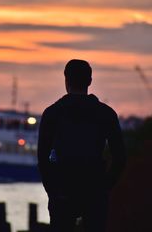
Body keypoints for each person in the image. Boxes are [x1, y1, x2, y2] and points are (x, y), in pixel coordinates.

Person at [38, 59, 126, 232]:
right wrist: (105, 187)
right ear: (90, 81)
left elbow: (42, 158)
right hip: (94, 189)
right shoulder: (106, 113)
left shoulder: (52, 113)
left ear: (66, 80)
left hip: (62, 189)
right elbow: (120, 158)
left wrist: (53, 190)